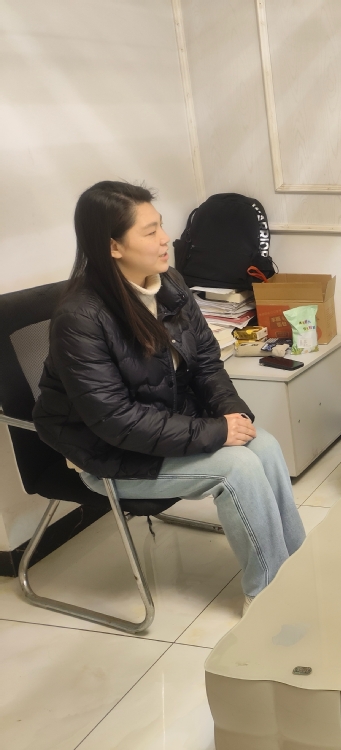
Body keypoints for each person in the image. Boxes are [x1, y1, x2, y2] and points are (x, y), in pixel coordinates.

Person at [33, 181, 305, 613]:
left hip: (163, 431)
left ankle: (299, 568)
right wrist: (215, 433)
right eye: (150, 231)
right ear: (113, 247)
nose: (165, 239)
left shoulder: (169, 284)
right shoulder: (80, 318)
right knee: (237, 469)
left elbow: (207, 364)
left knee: (265, 446)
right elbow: (116, 421)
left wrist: (232, 416)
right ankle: (267, 597)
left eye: (161, 226)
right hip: (107, 452)